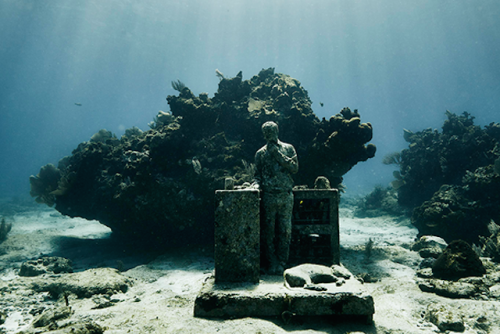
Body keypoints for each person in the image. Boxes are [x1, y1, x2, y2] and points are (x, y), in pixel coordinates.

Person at [253, 121, 298, 274]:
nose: (268, 135)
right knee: (268, 231)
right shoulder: (260, 153)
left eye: (271, 131)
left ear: (277, 131)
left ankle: (282, 263)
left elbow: (294, 168)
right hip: (269, 196)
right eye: (265, 132)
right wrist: (255, 185)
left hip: (285, 195)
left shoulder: (288, 148)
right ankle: (272, 263)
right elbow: (257, 175)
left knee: (285, 230)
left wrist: (277, 155)